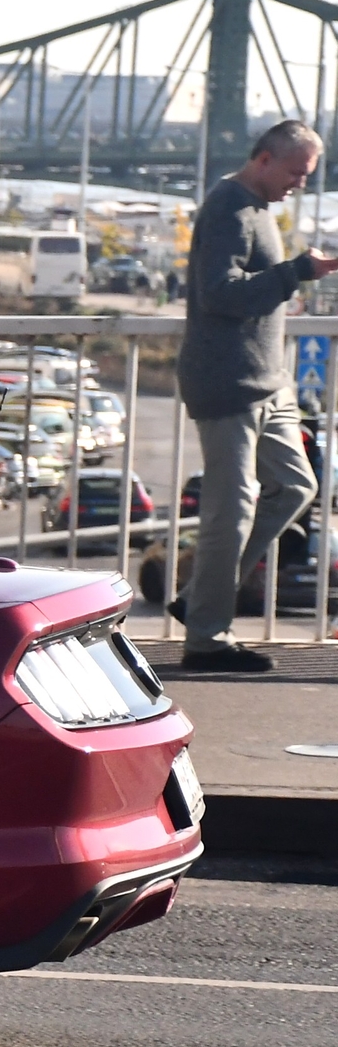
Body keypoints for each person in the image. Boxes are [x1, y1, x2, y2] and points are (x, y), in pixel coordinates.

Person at [171, 119, 338, 672]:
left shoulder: (259, 207)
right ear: (265, 159)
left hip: (270, 382)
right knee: (231, 510)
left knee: (296, 486)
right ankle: (207, 640)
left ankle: (201, 598)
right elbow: (219, 295)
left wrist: (296, 272)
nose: (300, 183)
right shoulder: (228, 207)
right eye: (296, 172)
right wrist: (298, 271)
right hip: (228, 383)